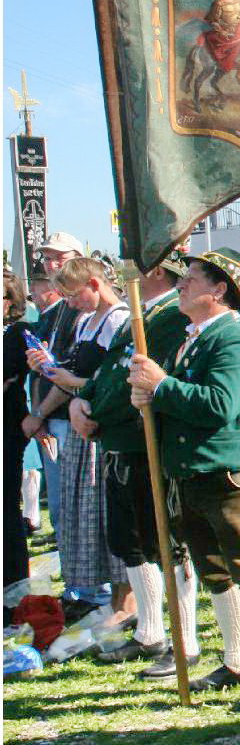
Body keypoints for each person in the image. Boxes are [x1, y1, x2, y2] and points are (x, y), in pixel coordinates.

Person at [127, 247, 240, 708]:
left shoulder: (232, 341)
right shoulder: (195, 339)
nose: (181, 284)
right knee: (215, 571)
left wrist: (162, 386)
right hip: (191, 472)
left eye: (192, 279)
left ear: (219, 290)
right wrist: (149, 398)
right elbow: (181, 398)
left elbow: (221, 404)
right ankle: (238, 661)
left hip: (225, 472)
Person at [74, 252, 195, 666]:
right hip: (119, 441)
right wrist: (82, 402)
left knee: (165, 543)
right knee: (130, 541)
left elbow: (141, 381)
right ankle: (150, 631)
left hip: (146, 442)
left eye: (135, 265)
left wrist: (97, 413)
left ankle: (183, 641)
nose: (124, 273)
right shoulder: (140, 316)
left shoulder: (170, 316)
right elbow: (109, 370)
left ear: (156, 270)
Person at [25, 257, 131, 626]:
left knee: (106, 515)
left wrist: (72, 386)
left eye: (73, 295)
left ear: (94, 284)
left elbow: (110, 380)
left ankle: (122, 602)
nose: (70, 303)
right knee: (82, 515)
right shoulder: (87, 321)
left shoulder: (118, 320)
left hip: (101, 430)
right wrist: (48, 369)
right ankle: (95, 594)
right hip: (82, 428)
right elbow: (74, 373)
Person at [22, 232, 84, 568]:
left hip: (74, 418)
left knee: (77, 508)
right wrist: (39, 415)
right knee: (61, 508)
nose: (52, 264)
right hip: (52, 420)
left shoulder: (81, 310)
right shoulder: (50, 315)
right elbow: (40, 371)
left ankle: (91, 587)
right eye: (47, 258)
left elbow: (71, 373)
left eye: (59, 257)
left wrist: (40, 413)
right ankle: (74, 580)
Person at [4, 274, 32, 588]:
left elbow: (9, 373)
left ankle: (13, 586)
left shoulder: (16, 333)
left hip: (8, 429)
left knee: (6, 508)